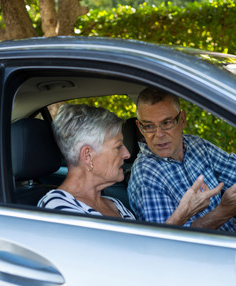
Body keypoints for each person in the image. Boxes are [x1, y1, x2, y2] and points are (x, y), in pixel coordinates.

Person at [38, 104, 222, 225]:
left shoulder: (115, 204)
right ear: (88, 155)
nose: (127, 154)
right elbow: (129, 266)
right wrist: (182, 214)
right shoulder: (58, 210)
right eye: (118, 147)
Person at [128, 87, 236, 231]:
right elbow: (170, 243)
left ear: (182, 120)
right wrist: (223, 211)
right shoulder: (145, 175)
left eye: (166, 123)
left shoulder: (196, 145)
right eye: (149, 126)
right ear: (140, 128)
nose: (159, 134)